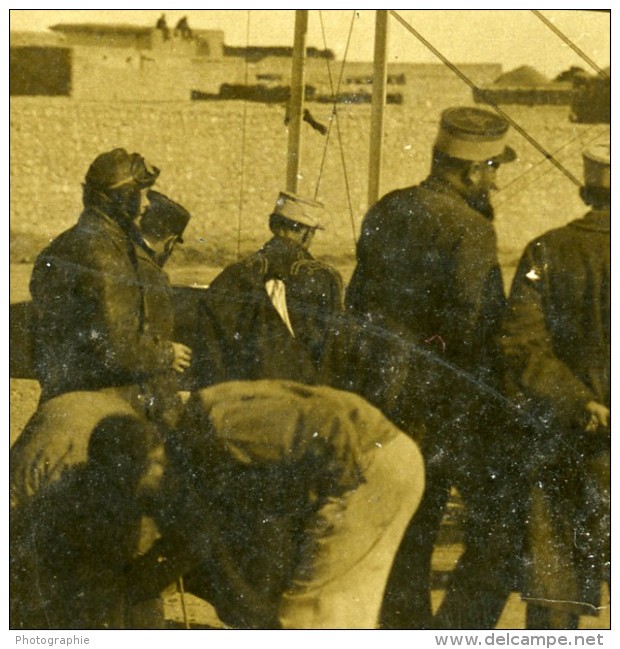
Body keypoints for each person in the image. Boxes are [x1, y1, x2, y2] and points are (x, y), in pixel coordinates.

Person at [344, 106, 522, 629]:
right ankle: (456, 632)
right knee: (501, 528)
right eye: (492, 169)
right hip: (443, 405)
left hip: (378, 397)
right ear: (472, 172)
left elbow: (357, 304)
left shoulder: (387, 210)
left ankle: (405, 630)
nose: (494, 181)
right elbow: (474, 331)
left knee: (404, 531)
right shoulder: (470, 229)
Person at [125, 379, 425, 629]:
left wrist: (331, 511)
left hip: (369, 468)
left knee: (312, 616)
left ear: (154, 456)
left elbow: (330, 428)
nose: (149, 504)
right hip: (373, 464)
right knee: (340, 612)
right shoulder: (198, 439)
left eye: (143, 492)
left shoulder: (218, 426)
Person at [500, 141, 610, 630]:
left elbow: (522, 346)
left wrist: (581, 400)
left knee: (554, 583)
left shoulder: (544, 250)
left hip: (564, 431)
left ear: (587, 188)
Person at [192, 191, 344, 388]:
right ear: (307, 233)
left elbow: (210, 346)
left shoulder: (234, 274)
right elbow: (335, 350)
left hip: (245, 399)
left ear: (272, 225)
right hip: (303, 399)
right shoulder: (325, 278)